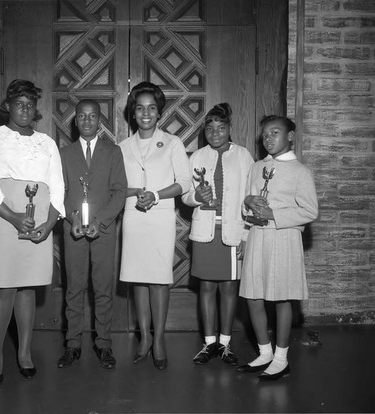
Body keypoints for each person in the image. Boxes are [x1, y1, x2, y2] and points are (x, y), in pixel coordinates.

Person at [0, 79, 65, 385]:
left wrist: (50, 223)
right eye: (18, 104)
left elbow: (57, 187)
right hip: (3, 219)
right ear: (8, 107)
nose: (24, 109)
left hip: (39, 220)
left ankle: (24, 352)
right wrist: (13, 217)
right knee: (3, 287)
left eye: (30, 104)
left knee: (28, 287)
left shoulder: (46, 143)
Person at [237, 115, 318, 380]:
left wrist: (274, 214)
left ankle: (282, 358)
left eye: (275, 133)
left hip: (284, 238)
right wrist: (248, 201)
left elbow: (310, 211)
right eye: (265, 135)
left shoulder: (300, 171)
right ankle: (264, 352)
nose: (268, 139)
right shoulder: (257, 166)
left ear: (290, 137)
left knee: (283, 297)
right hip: (258, 236)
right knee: (253, 297)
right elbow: (245, 206)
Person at [119, 82, 191, 370]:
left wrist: (157, 194)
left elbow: (184, 183)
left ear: (159, 112)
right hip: (134, 217)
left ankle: (159, 340)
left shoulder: (173, 143)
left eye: (151, 108)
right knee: (138, 278)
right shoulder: (122, 147)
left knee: (159, 279)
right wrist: (135, 192)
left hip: (160, 216)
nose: (145, 113)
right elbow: (115, 186)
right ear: (132, 113)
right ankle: (144, 338)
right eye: (140, 108)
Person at [181, 103, 254, 367]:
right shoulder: (197, 156)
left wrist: (247, 234)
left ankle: (225, 343)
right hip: (205, 232)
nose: (215, 133)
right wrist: (194, 198)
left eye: (221, 128)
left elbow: (251, 197)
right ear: (204, 131)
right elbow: (186, 195)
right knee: (207, 288)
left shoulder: (244, 156)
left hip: (233, 230)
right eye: (210, 129)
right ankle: (208, 343)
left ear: (229, 129)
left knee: (229, 288)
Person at [57, 99, 127, 369]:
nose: (87, 121)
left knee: (103, 288)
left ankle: (104, 344)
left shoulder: (113, 152)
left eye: (93, 116)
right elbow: (59, 192)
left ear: (100, 121)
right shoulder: (65, 153)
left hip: (104, 230)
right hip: (72, 228)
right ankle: (72, 344)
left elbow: (120, 191)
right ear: (75, 121)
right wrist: (71, 215)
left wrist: (102, 220)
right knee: (74, 288)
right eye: (82, 116)